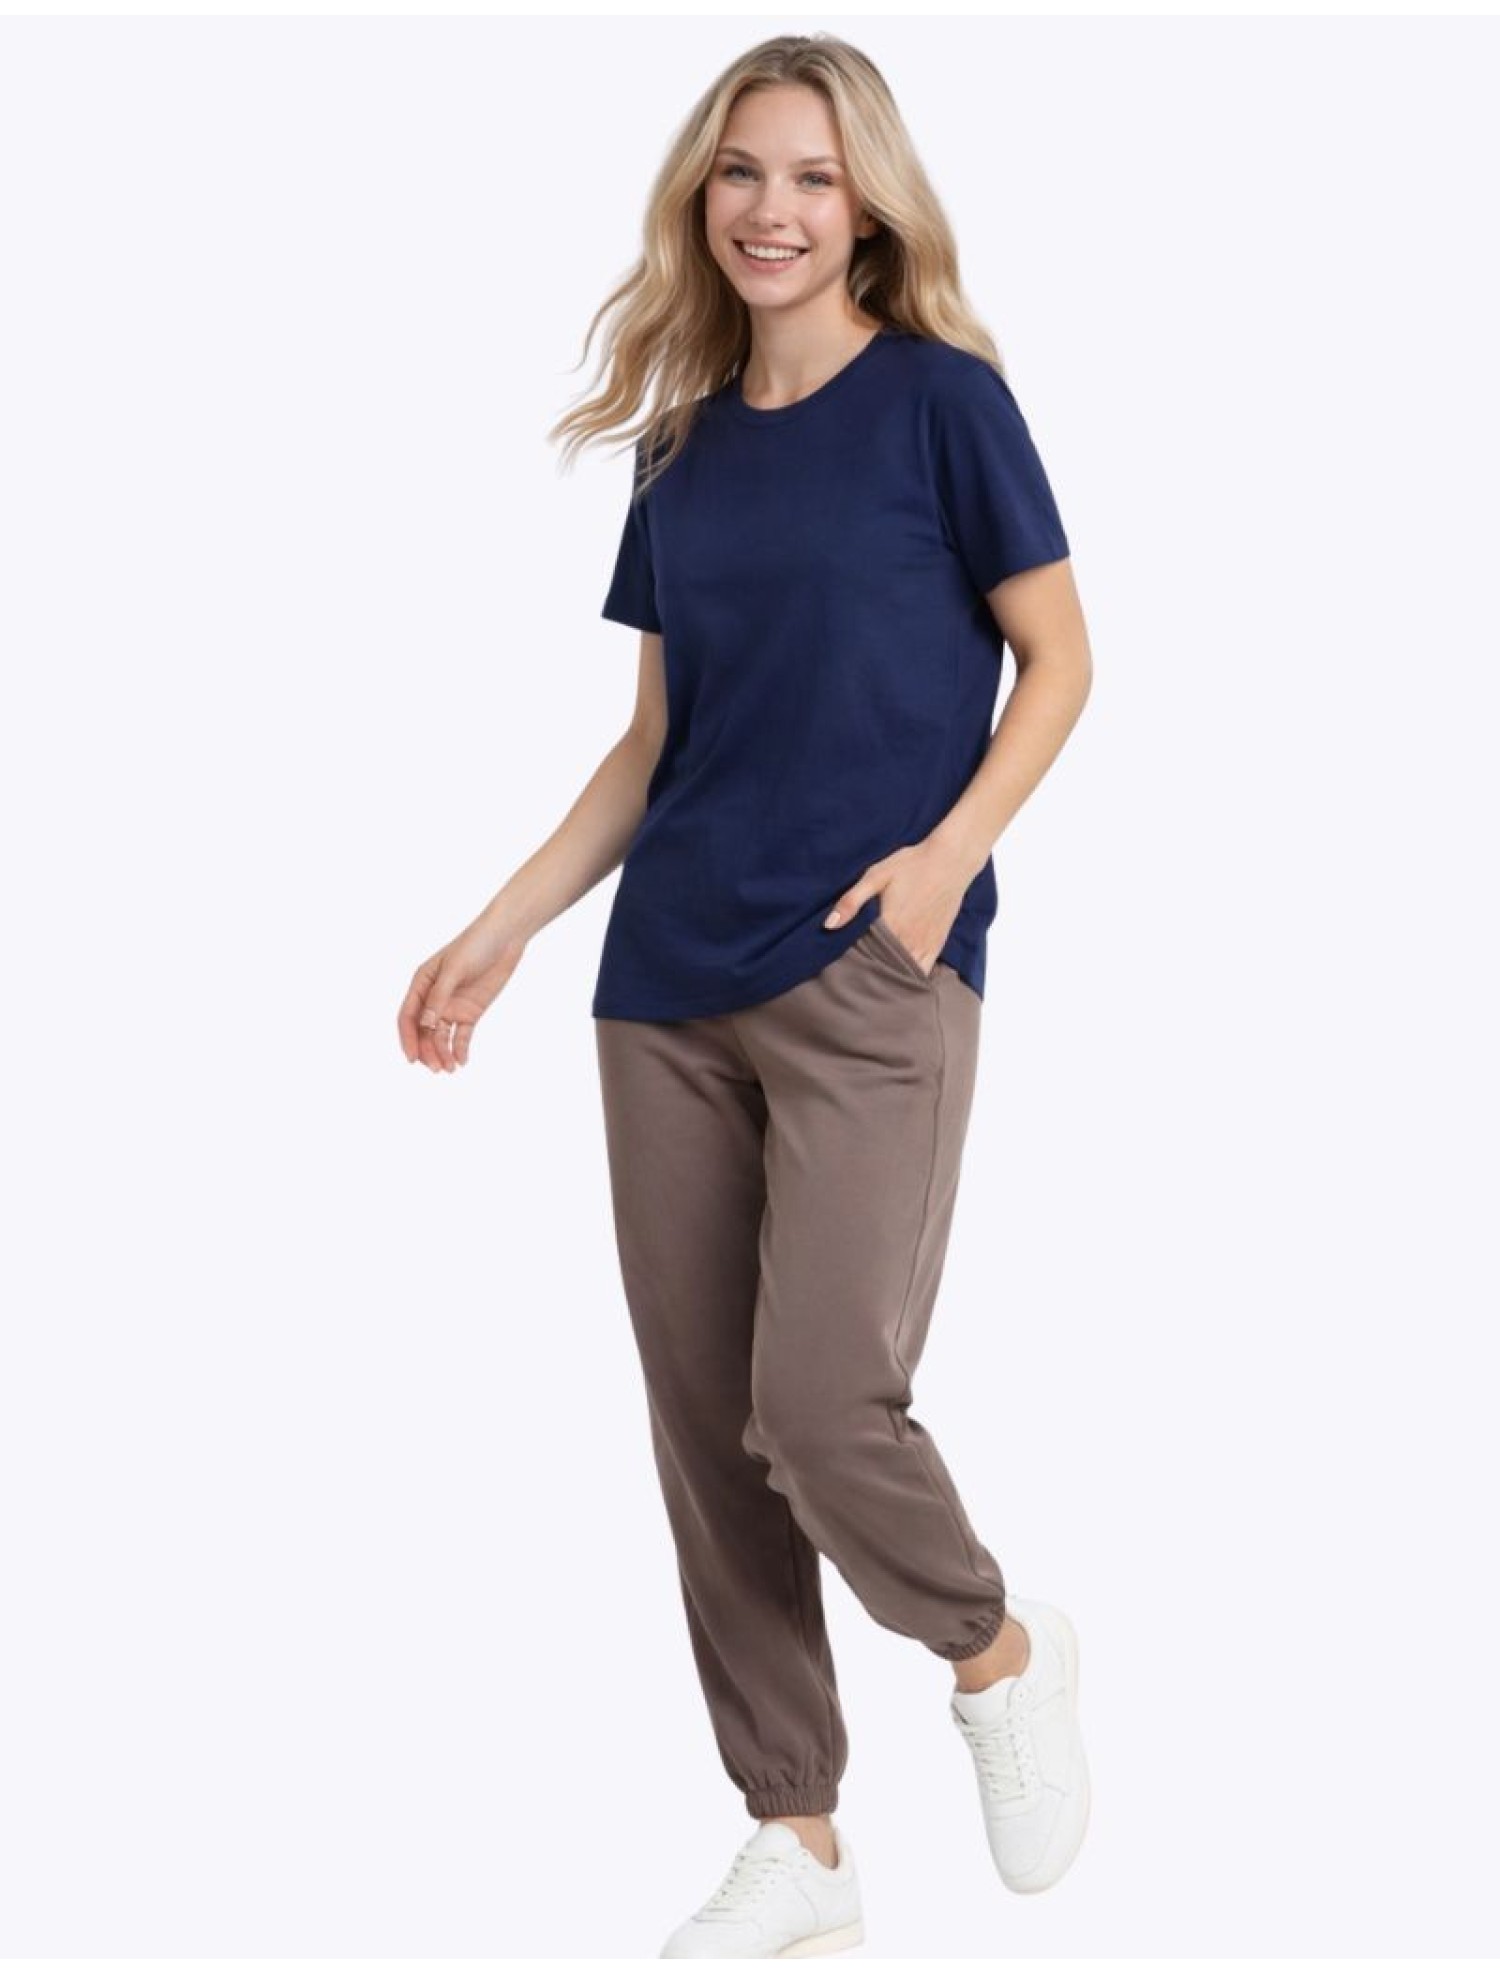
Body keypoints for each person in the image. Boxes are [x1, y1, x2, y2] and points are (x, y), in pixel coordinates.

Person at [398, 31, 1094, 1960]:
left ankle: (999, 1650)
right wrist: (506, 925)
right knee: (711, 1429)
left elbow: (1060, 660)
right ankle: (799, 1829)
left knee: (820, 1402)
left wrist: (943, 864)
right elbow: (654, 744)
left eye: (808, 175)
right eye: (739, 172)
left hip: (870, 970)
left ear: (866, 205)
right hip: (665, 992)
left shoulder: (946, 405)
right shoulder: (683, 446)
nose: (770, 208)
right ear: (699, 198)